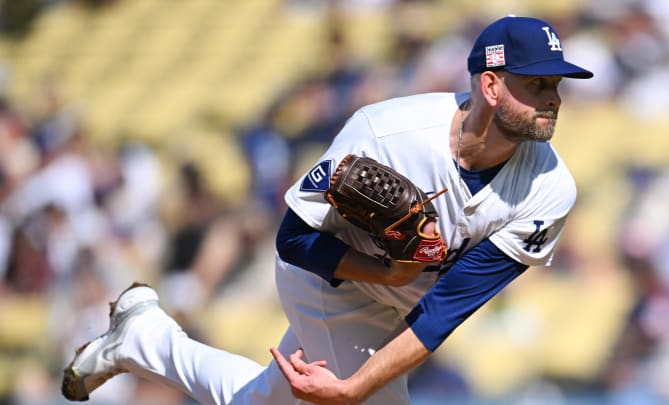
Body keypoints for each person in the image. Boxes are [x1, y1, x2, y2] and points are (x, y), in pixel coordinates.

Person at [61, 15, 593, 405]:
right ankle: (145, 340)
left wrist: (353, 381)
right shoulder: (387, 134)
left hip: (406, 304)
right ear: (492, 85)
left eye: (556, 85)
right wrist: (355, 379)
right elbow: (292, 240)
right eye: (537, 84)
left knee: (264, 401)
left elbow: (444, 312)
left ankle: (144, 339)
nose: (554, 98)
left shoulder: (549, 189)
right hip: (330, 279)